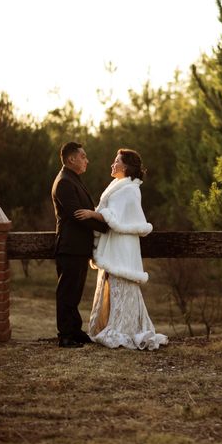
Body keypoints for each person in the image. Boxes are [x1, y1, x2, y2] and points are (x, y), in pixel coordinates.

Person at [74, 149, 168, 350]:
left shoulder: (131, 189)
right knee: (109, 283)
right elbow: (111, 214)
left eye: (116, 161)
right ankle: (105, 324)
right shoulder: (117, 185)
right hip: (113, 243)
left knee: (121, 284)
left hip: (122, 245)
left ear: (125, 166)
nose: (112, 164)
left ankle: (123, 327)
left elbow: (117, 217)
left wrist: (92, 214)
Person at [51, 142, 109, 348]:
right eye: (83, 156)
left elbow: (86, 211)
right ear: (71, 159)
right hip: (70, 247)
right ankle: (65, 335)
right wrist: (107, 226)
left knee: (75, 291)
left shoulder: (73, 179)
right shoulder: (65, 182)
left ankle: (75, 330)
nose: (87, 160)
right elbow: (77, 215)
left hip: (79, 248)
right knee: (67, 291)